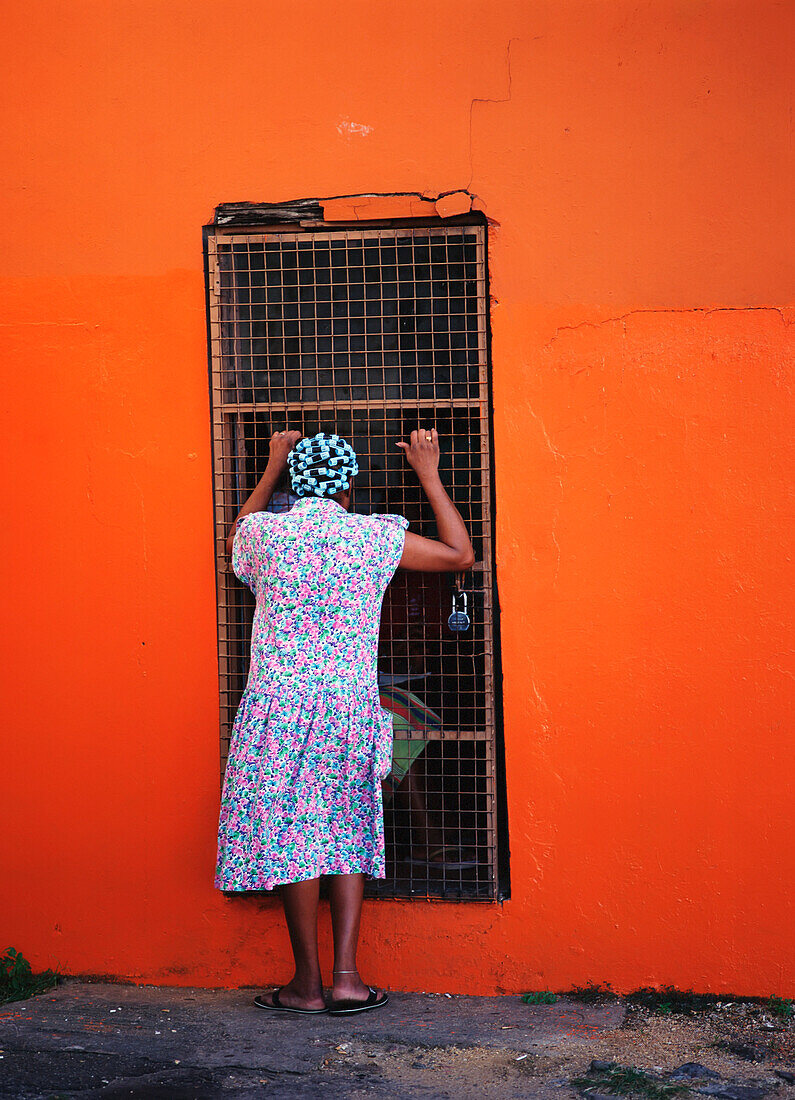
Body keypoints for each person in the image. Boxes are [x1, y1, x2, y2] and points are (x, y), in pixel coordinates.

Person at [214, 427, 474, 1016]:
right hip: (348, 706)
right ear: (350, 484)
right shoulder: (372, 536)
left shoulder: (264, 533)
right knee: (347, 830)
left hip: (276, 709)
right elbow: (461, 554)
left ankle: (305, 986)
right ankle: (348, 980)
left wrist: (270, 467)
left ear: (293, 481)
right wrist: (429, 475)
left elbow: (236, 542)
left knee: (295, 840)